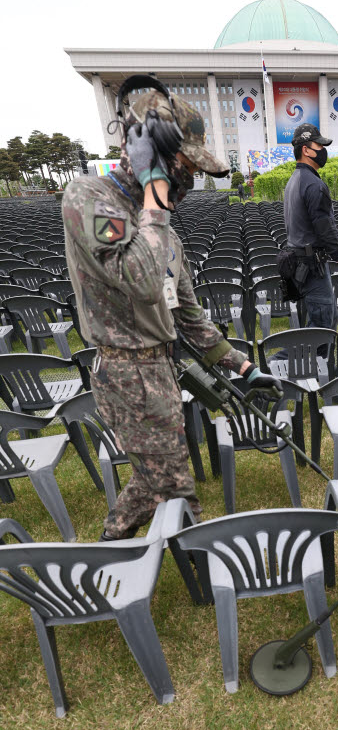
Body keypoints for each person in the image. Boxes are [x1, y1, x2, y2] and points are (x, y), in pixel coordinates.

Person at [63, 85, 279, 540]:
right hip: (125, 372)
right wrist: (154, 191)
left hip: (159, 369)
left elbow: (188, 315)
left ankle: (111, 538)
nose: (191, 180)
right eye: (185, 165)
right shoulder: (90, 198)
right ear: (150, 154)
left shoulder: (166, 233)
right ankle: (209, 562)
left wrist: (242, 365)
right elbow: (141, 279)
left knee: (154, 473)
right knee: (175, 482)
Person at [283, 122, 338, 331]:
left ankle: (316, 363)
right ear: (306, 150)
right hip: (311, 265)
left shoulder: (294, 180)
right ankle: (277, 364)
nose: (323, 151)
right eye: (319, 146)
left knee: (326, 320)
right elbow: (326, 231)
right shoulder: (314, 185)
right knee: (322, 327)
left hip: (301, 262)